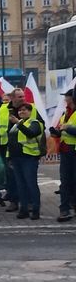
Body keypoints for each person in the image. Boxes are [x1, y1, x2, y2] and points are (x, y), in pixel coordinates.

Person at [7, 103, 43, 219]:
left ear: (30, 111)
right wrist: (9, 157)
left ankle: (35, 210)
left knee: (31, 184)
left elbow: (31, 133)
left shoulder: (35, 123)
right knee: (21, 185)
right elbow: (11, 142)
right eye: (20, 111)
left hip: (29, 158)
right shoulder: (16, 125)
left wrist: (18, 123)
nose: (21, 112)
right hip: (17, 158)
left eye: (24, 110)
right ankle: (24, 210)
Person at [50, 89, 76, 222]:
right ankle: (64, 209)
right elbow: (62, 130)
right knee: (65, 182)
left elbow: (69, 129)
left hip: (74, 150)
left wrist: (68, 128)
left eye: (67, 96)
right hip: (65, 151)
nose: (65, 99)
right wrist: (56, 133)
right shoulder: (65, 113)